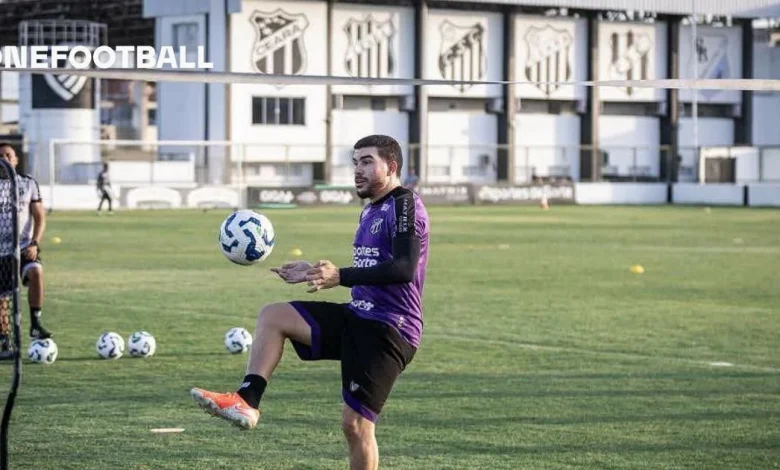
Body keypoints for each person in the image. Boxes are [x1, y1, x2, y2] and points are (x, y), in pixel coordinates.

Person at [190, 134, 430, 470]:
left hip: (390, 328)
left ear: (390, 166)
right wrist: (312, 272)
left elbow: (404, 268)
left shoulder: (404, 203)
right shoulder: (371, 210)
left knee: (356, 425)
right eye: (355, 162)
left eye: (367, 162)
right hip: (358, 316)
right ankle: (247, 400)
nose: (357, 170)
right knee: (274, 316)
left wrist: (339, 277)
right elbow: (369, 266)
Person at [0, 143, 53, 359]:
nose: (4, 159)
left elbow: (40, 217)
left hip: (23, 246)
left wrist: (34, 243)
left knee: (36, 272)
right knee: (2, 297)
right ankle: (3, 339)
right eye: (0, 156)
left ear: (15, 160)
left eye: (7, 155)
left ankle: (35, 323)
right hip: (1, 250)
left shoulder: (28, 183)